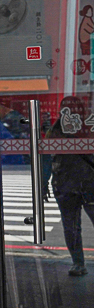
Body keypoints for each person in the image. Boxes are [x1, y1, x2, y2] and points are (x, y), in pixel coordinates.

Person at [47, 95, 94, 277]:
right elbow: (46, 157)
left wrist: (44, 183)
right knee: (71, 226)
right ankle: (77, 262)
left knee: (71, 226)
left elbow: (46, 159)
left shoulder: (58, 129)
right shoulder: (57, 130)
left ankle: (78, 263)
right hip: (69, 184)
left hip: (78, 183)